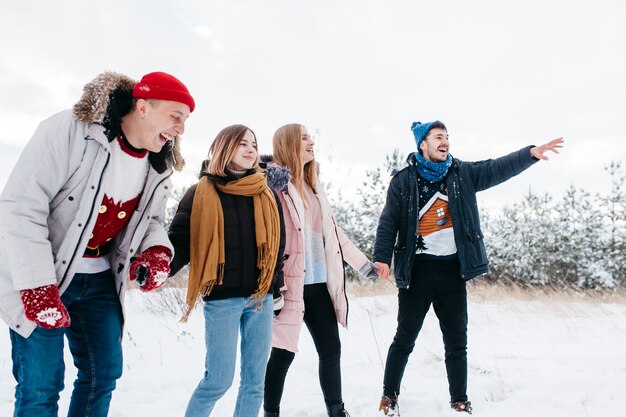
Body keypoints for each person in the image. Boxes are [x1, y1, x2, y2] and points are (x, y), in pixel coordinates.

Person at [0, 71, 194, 417]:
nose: (180, 128)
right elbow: (21, 206)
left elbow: (149, 221)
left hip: (101, 278)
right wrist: (37, 287)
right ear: (143, 106)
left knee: (102, 375)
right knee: (41, 387)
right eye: (175, 116)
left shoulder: (157, 166)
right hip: (46, 274)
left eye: (185, 121)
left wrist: (156, 250)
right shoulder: (72, 132)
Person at [373, 120, 564, 415]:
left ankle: (459, 401)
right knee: (405, 338)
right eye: (438, 137)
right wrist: (382, 257)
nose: (445, 141)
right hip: (418, 272)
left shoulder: (462, 174)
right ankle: (389, 395)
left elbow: (496, 168)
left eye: (447, 136)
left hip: (452, 271)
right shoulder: (404, 181)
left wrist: (530, 154)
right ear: (423, 143)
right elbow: (389, 222)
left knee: (456, 342)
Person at [168, 124, 286, 417]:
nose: (250, 150)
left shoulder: (266, 193)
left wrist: (277, 287)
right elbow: (180, 241)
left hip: (261, 298)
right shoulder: (200, 193)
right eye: (242, 144)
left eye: (254, 145)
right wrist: (162, 266)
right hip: (222, 300)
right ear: (224, 148)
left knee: (255, 384)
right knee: (218, 381)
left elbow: (277, 246)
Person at [263, 123, 380, 417]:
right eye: (304, 138)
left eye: (311, 137)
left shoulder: (315, 189)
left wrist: (364, 265)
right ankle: (270, 413)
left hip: (317, 283)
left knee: (331, 350)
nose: (311, 142)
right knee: (283, 354)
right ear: (289, 143)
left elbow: (334, 234)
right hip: (289, 284)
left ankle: (336, 411)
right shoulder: (274, 187)